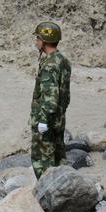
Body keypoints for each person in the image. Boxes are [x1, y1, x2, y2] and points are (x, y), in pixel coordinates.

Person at [30, 21, 71, 178]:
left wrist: (43, 120)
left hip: (46, 120)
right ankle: (64, 187)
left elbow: (50, 96)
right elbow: (65, 95)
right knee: (59, 156)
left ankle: (48, 194)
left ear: (44, 41)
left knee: (43, 161)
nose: (36, 42)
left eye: (38, 39)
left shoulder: (49, 65)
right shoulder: (63, 60)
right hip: (59, 118)